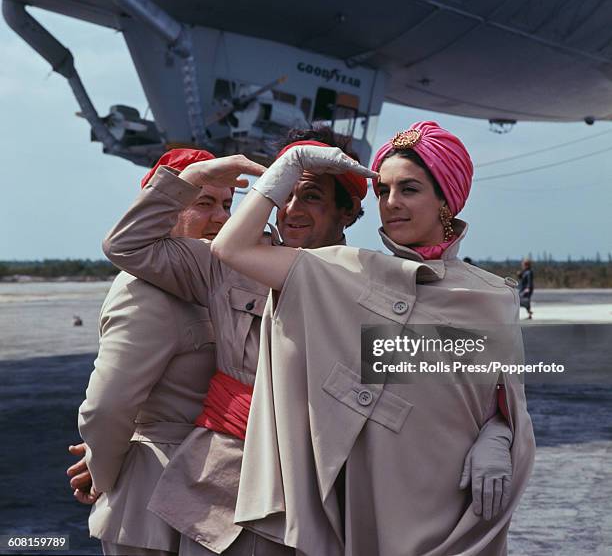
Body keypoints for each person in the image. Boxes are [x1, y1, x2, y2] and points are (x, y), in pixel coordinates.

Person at [102, 125, 514, 556]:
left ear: (348, 212)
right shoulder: (230, 265)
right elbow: (128, 244)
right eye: (285, 194)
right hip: (228, 493)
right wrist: (207, 171)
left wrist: (497, 434)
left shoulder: (365, 279)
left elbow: (441, 391)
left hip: (334, 500)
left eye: (312, 196)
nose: (292, 210)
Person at [211, 121, 536, 556]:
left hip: (459, 505)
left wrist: (498, 439)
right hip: (375, 499)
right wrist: (292, 163)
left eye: (410, 190)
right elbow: (231, 248)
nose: (392, 204)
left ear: (446, 200)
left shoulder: (492, 297)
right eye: (383, 191)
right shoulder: (345, 272)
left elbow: (503, 399)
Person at [68, 149, 232, 556]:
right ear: (161, 210)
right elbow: (106, 409)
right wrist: (105, 474)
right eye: (204, 203)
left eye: (228, 204)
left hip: (203, 495)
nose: (222, 218)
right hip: (148, 507)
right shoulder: (144, 290)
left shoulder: (211, 285)